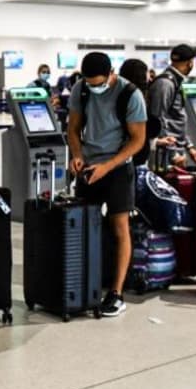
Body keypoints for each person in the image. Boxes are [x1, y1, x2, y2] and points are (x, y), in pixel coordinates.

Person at [67, 52, 148, 318]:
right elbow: (74, 129)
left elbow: (137, 141)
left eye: (98, 83)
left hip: (117, 168)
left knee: (119, 227)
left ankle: (116, 293)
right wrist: (77, 155)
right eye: (89, 83)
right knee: (85, 225)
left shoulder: (130, 95)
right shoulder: (81, 89)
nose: (93, 87)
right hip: (90, 168)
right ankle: (87, 284)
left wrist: (108, 167)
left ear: (112, 74)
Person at [146, 44, 196, 167]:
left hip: (175, 149)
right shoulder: (165, 84)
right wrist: (173, 154)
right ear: (189, 63)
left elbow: (178, 117)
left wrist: (189, 146)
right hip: (165, 154)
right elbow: (158, 119)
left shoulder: (175, 82)